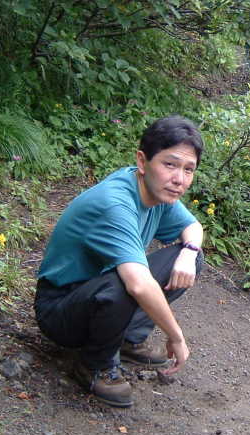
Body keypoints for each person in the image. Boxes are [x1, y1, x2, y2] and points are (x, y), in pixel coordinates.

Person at [34, 115, 204, 408]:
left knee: (189, 256)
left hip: (95, 290)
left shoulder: (157, 193)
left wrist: (188, 252)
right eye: (170, 164)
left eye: (189, 170)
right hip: (60, 310)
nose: (179, 179)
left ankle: (126, 339)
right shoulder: (115, 203)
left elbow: (194, 228)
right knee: (127, 280)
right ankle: (94, 364)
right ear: (142, 161)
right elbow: (138, 284)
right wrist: (176, 336)